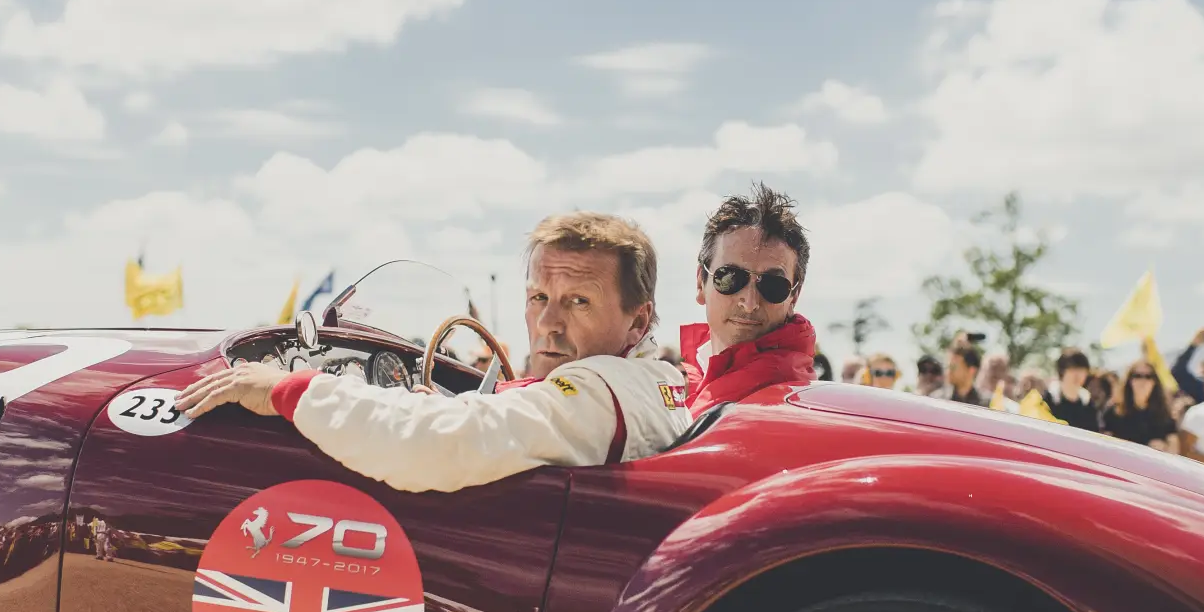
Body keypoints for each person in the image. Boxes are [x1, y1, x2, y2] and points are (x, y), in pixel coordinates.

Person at [175, 212, 690, 492]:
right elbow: (529, 415)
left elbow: (437, 447)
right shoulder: (646, 382)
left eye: (578, 301)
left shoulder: (599, 393)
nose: (549, 323)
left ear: (638, 320)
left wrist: (287, 388)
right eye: (539, 298)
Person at [678, 183, 819, 415]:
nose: (750, 302)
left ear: (794, 295)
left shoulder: (776, 396)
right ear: (700, 282)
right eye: (730, 278)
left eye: (773, 285)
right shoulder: (692, 371)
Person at [1104, 359, 1178, 451]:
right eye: (1137, 376)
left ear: (1154, 382)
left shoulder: (1164, 413)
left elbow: (1174, 450)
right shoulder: (1114, 412)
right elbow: (1105, 446)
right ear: (1129, 381)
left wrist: (1164, 449)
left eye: (1148, 376)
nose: (1143, 380)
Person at [1045, 348, 1103, 431]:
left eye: (1082, 370)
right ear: (1062, 371)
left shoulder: (1088, 404)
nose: (1077, 375)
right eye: (1072, 370)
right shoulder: (1048, 400)